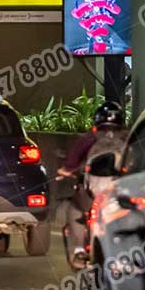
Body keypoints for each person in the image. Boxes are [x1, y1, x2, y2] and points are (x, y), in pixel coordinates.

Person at [56, 100, 126, 264]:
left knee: (75, 208)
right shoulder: (129, 137)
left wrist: (65, 170)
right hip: (122, 189)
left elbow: (71, 162)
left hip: (93, 190)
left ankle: (79, 250)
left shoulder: (90, 137)